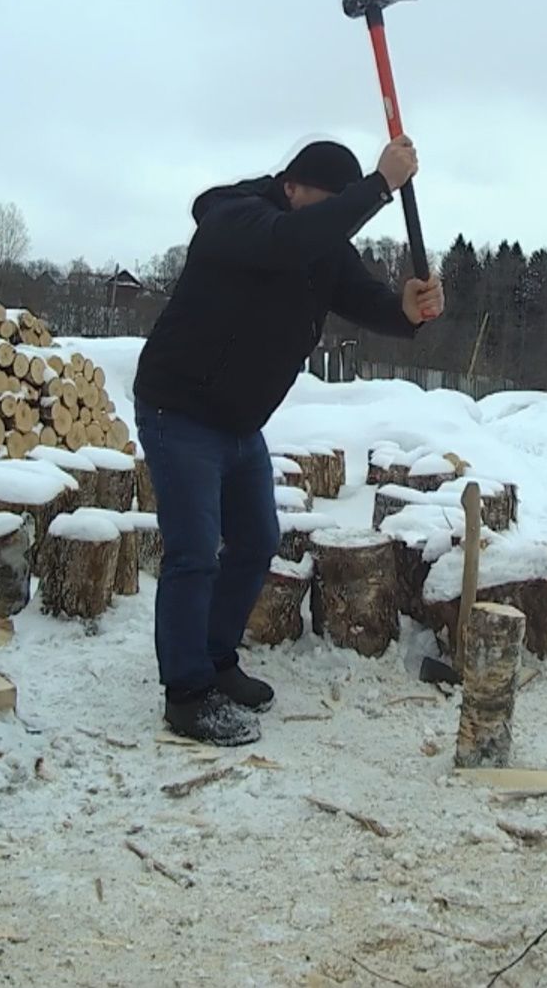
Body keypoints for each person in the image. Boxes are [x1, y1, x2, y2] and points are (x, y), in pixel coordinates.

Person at [132, 136, 445, 745]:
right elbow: (288, 244)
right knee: (194, 551)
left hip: (239, 423)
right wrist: (379, 186)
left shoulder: (320, 245)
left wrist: (406, 310)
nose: (332, 223)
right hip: (180, 410)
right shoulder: (237, 219)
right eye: (327, 206)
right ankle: (187, 692)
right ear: (291, 186)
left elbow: (368, 300)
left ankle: (218, 660)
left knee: (255, 541)